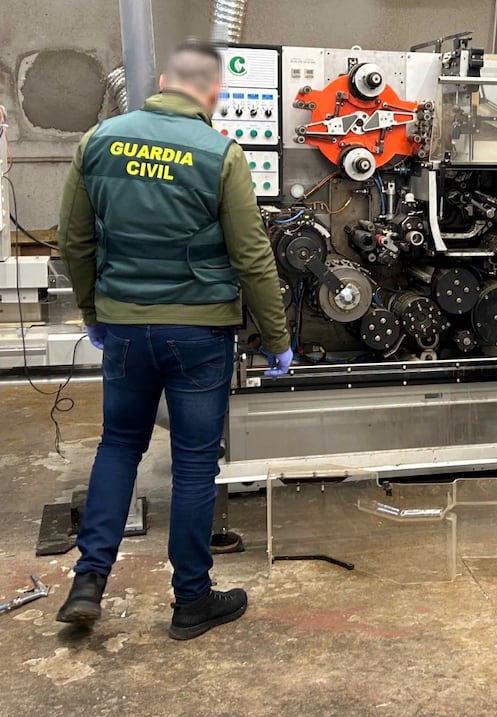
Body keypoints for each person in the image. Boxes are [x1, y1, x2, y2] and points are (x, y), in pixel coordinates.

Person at [55, 40, 293, 640]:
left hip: (125, 329)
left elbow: (74, 241)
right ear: (214, 93)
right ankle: (191, 601)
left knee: (119, 446)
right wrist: (277, 337)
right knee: (193, 463)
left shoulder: (98, 141)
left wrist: (93, 311)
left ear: (162, 82)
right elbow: (252, 256)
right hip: (198, 332)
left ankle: (88, 581)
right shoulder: (220, 154)